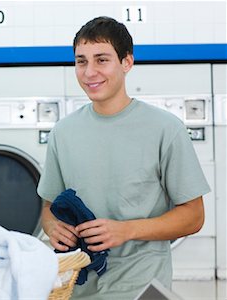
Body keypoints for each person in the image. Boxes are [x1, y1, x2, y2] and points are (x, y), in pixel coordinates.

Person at [38, 16, 210, 300]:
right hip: (79, 286)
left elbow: (194, 216)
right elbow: (49, 206)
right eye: (81, 61)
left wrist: (126, 230)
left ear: (127, 62)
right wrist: (54, 229)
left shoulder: (165, 129)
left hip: (142, 286)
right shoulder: (63, 133)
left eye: (101, 60)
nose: (89, 72)